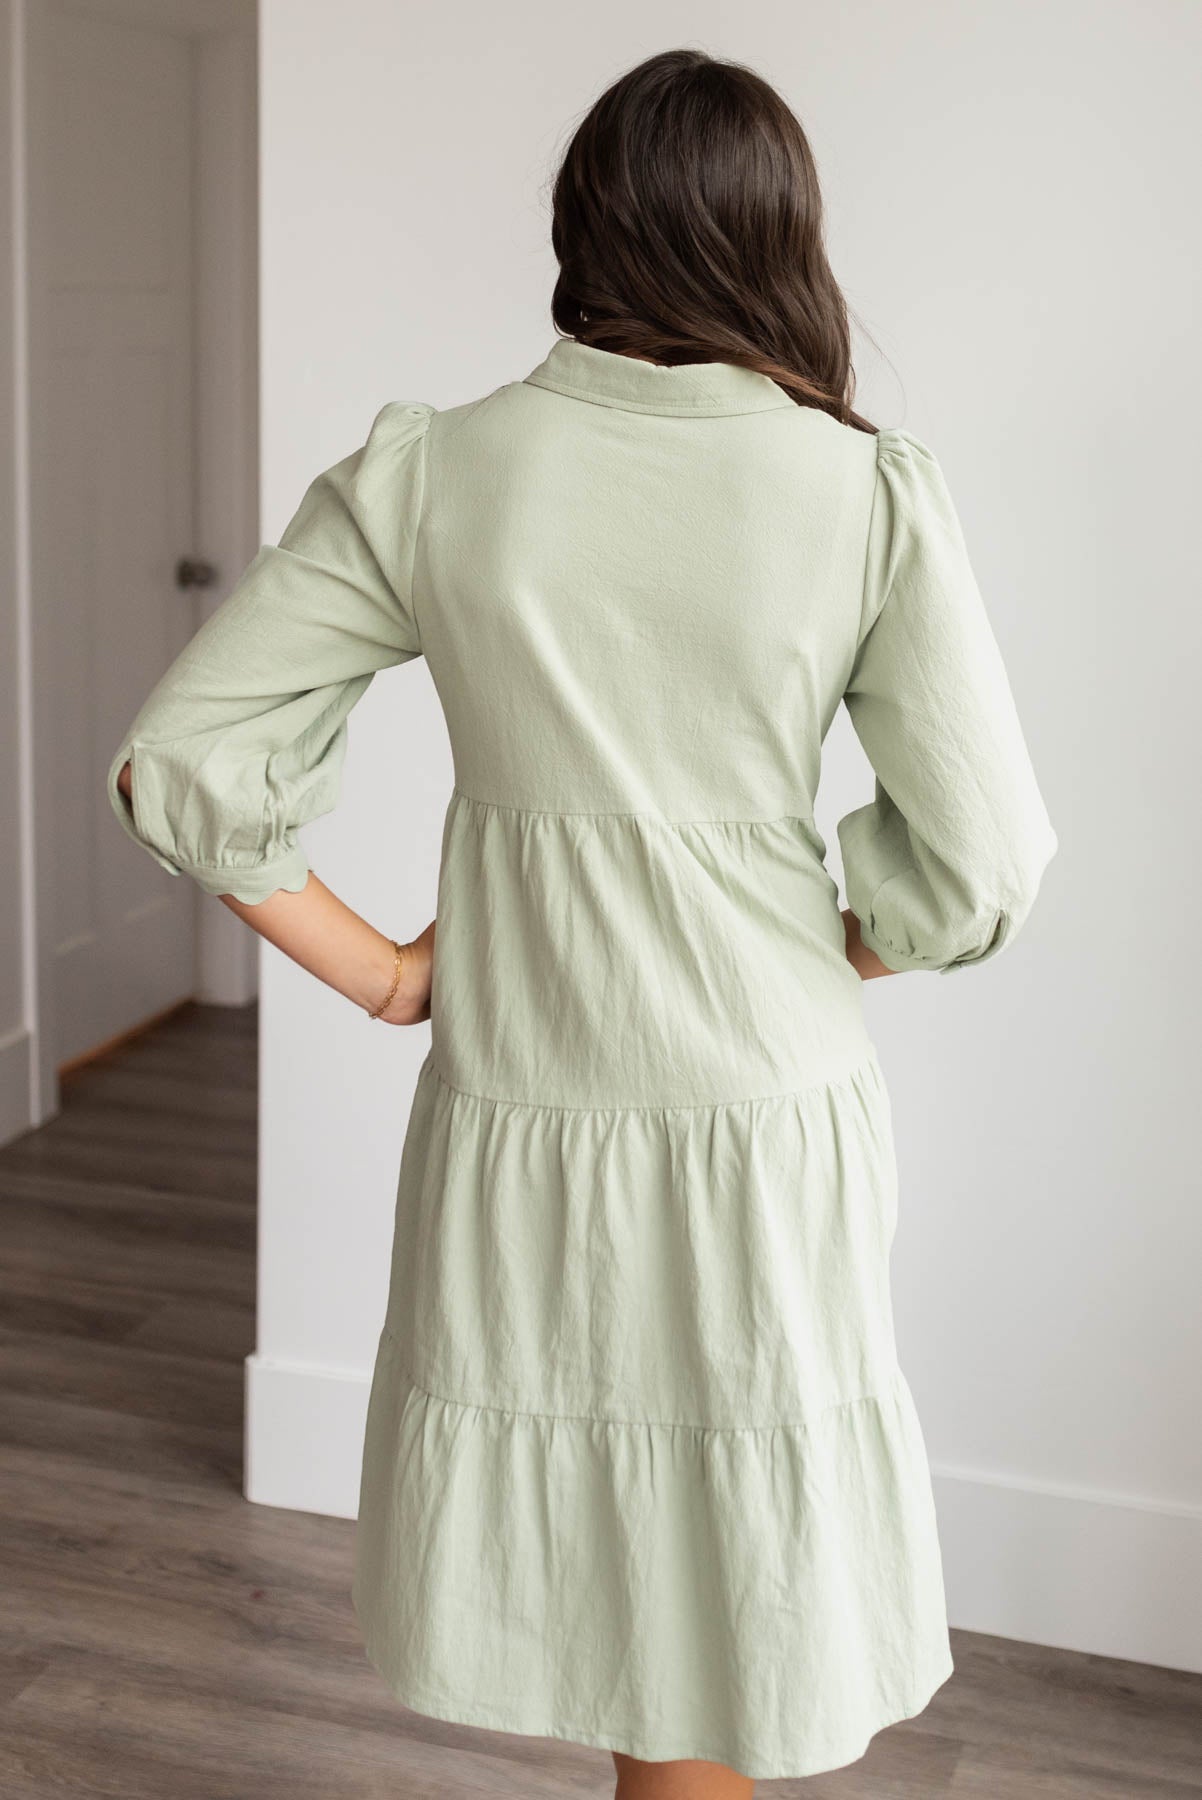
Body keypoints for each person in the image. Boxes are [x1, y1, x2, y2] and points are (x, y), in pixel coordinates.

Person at [109, 46, 1056, 1799]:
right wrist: (816, 947)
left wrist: (393, 971)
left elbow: (187, 756)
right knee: (724, 1588)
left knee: (630, 1576)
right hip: (765, 1110)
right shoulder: (856, 489)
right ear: (782, 237)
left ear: (583, 230)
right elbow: (981, 859)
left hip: (524, 1100)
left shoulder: (444, 469)